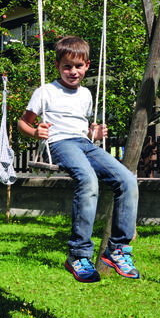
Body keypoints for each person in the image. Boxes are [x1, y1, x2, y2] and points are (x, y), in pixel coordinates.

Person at [18, 35, 140, 283]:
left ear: (87, 65)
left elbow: (83, 130)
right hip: (58, 144)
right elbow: (23, 122)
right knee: (88, 180)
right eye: (67, 66)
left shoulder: (86, 95)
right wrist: (35, 132)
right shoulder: (45, 92)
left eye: (78, 66)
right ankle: (79, 254)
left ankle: (117, 249)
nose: (73, 72)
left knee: (127, 179)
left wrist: (93, 133)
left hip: (83, 143)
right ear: (57, 67)